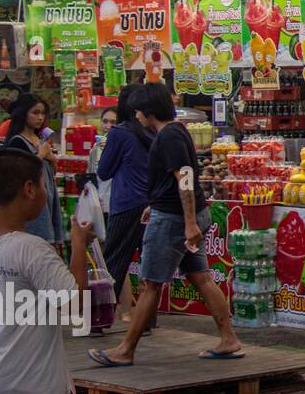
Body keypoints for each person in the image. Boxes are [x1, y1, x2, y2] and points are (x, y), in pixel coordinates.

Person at [90, 84, 242, 366]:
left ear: (148, 112)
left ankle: (125, 350)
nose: (135, 115)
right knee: (201, 277)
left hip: (174, 219)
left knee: (150, 283)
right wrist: (155, 205)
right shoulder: (176, 131)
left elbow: (183, 176)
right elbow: (174, 180)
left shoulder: (168, 135)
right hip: (182, 213)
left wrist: (187, 223)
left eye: (138, 110)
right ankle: (228, 338)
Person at [0, 150, 92, 394]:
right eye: (46, 184)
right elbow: (74, 307)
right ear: (30, 189)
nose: (48, 194)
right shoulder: (31, 249)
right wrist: (80, 244)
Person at [96, 86, 154, 323]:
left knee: (113, 263)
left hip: (126, 203)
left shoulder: (120, 133)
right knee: (149, 265)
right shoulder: (153, 131)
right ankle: (148, 319)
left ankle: (101, 317)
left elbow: (104, 170)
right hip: (151, 204)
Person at [5, 94, 63, 251]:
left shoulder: (40, 139)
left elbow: (52, 171)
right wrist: (42, 155)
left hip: (47, 195)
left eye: (42, 113)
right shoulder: (17, 141)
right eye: (35, 113)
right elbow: (21, 173)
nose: (40, 117)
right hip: (31, 199)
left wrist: (52, 160)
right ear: (23, 113)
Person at [89, 107, 119, 212]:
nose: (108, 126)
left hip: (115, 204)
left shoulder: (122, 148)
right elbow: (91, 174)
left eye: (113, 122)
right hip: (97, 204)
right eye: (105, 121)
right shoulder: (95, 148)